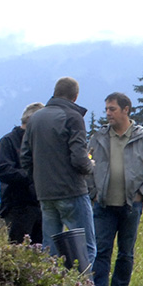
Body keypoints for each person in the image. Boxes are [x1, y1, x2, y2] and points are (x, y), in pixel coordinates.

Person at [88, 92, 143, 286]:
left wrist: (142, 193)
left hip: (131, 205)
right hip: (103, 205)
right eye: (106, 109)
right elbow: (86, 165)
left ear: (126, 110)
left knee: (125, 253)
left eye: (112, 109)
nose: (108, 113)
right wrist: (93, 193)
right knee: (101, 251)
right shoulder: (98, 137)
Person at [20, 77, 96, 269]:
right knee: (85, 249)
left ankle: (52, 285)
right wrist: (90, 166)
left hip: (45, 194)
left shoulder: (35, 118)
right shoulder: (73, 117)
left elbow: (25, 158)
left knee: (50, 250)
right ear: (75, 96)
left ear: (55, 92)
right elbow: (79, 159)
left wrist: (39, 180)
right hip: (72, 191)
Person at [0, 102, 45, 245]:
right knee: (18, 247)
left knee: (41, 249)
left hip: (40, 205)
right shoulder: (8, 141)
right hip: (18, 206)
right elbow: (3, 171)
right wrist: (31, 175)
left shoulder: (39, 142)